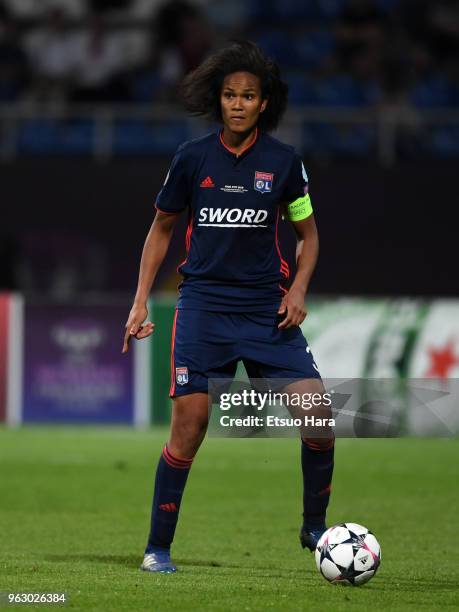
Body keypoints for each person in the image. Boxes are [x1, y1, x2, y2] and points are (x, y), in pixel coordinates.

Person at [122, 40, 335, 574]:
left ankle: (314, 526)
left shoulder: (285, 163)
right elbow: (162, 229)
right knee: (190, 424)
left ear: (264, 103)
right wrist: (140, 299)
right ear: (219, 101)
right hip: (204, 310)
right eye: (229, 95)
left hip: (268, 311)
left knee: (319, 416)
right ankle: (157, 549)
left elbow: (308, 236)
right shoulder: (192, 158)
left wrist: (300, 287)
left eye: (248, 96)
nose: (237, 104)